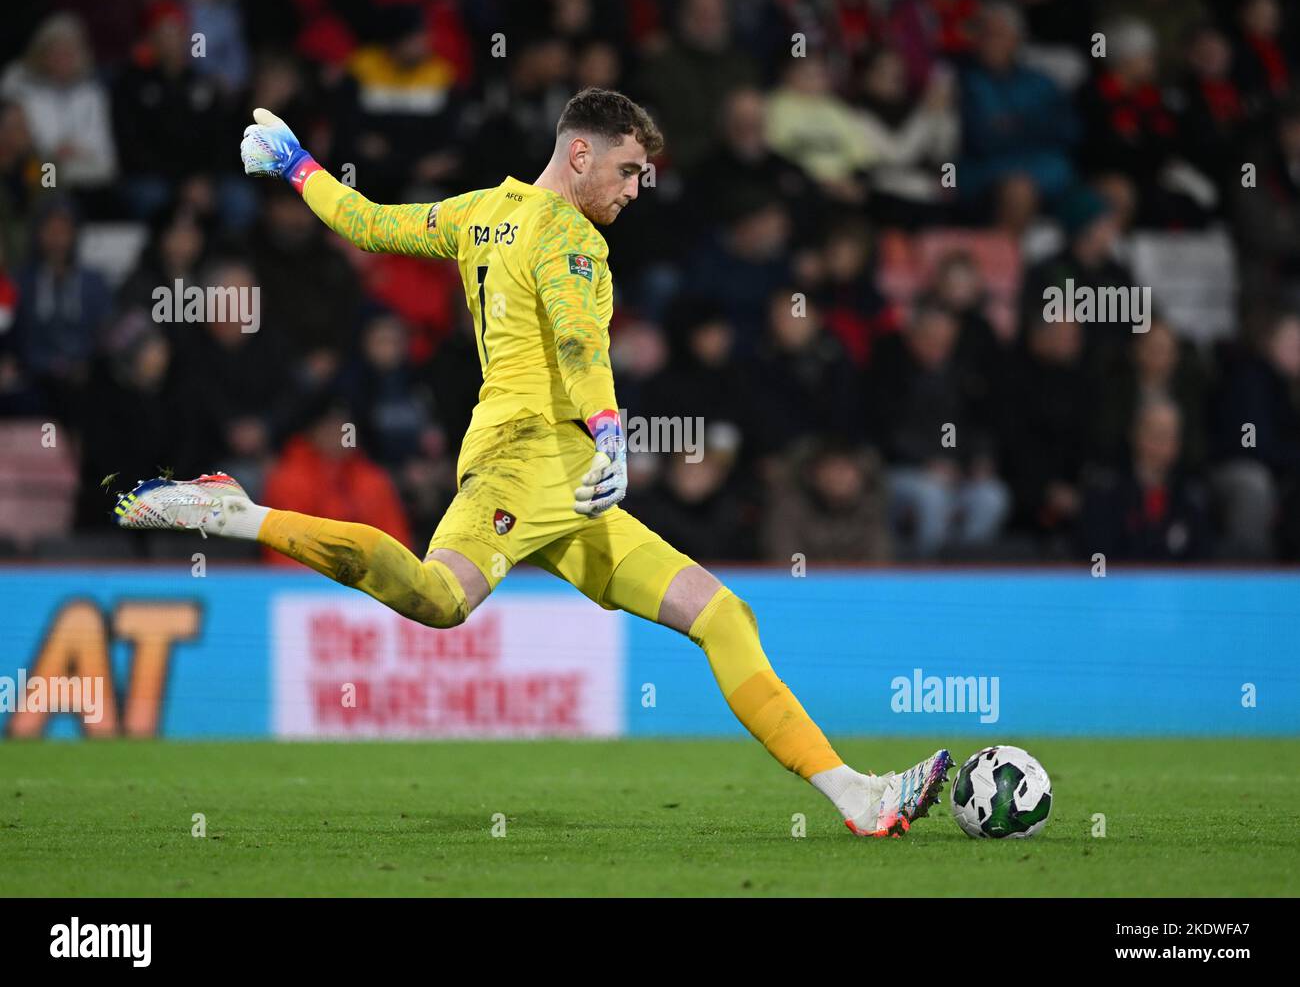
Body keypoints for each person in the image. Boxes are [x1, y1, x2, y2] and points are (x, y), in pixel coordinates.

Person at [111, 88, 951, 838]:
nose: (632, 189)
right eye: (626, 170)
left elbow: (367, 222)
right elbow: (585, 346)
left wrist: (296, 166)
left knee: (721, 616)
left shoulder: (483, 211)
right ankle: (239, 512)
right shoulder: (571, 238)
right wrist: (614, 432)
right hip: (536, 463)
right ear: (579, 153)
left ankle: (855, 794)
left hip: (562, 481)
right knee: (439, 600)